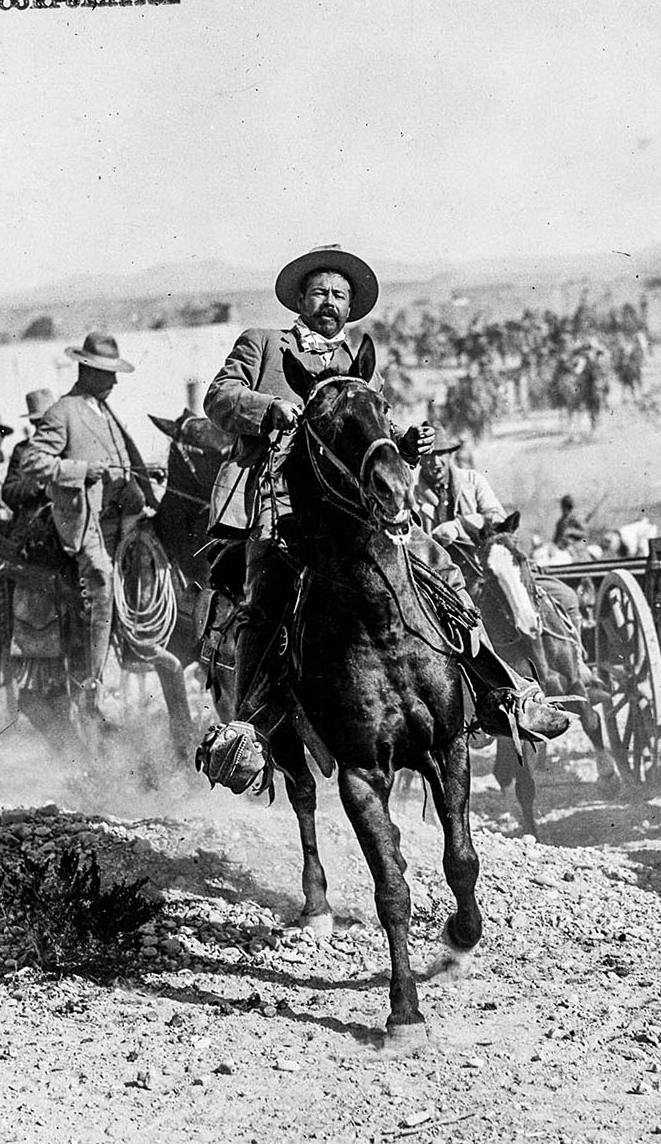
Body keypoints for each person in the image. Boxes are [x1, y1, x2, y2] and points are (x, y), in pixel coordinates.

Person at [197, 245, 565, 792]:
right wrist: (265, 408)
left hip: (350, 512)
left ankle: (500, 688)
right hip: (277, 501)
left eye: (340, 295)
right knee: (265, 595)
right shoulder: (263, 343)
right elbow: (218, 398)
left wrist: (406, 445)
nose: (329, 302)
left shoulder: (360, 366)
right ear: (300, 299)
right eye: (319, 292)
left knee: (439, 572)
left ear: (351, 308)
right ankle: (248, 730)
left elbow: (373, 440)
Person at [13, 331, 154, 725]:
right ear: (86, 370)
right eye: (107, 373)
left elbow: (122, 462)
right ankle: (92, 685)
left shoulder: (105, 411)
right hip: (85, 522)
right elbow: (33, 463)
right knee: (102, 582)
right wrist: (80, 470)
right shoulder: (63, 411)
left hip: (121, 516)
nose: (114, 381)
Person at [3, 388, 60, 513]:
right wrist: (34, 484)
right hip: (34, 520)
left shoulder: (68, 444)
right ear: (33, 422)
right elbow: (8, 492)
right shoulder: (22, 450)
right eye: (42, 421)